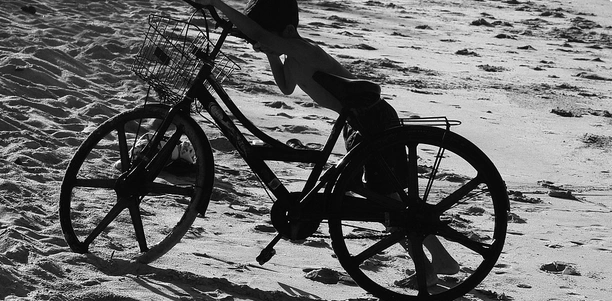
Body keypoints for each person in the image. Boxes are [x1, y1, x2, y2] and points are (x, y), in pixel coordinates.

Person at [193, 0, 459, 286]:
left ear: (288, 30)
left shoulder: (303, 49)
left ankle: (429, 267)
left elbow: (257, 33)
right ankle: (440, 259)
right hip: (357, 121)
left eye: (271, 37)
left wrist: (218, 3)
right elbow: (285, 86)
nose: (266, 41)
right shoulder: (291, 57)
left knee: (387, 203)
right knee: (385, 199)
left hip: (371, 117)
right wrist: (271, 54)